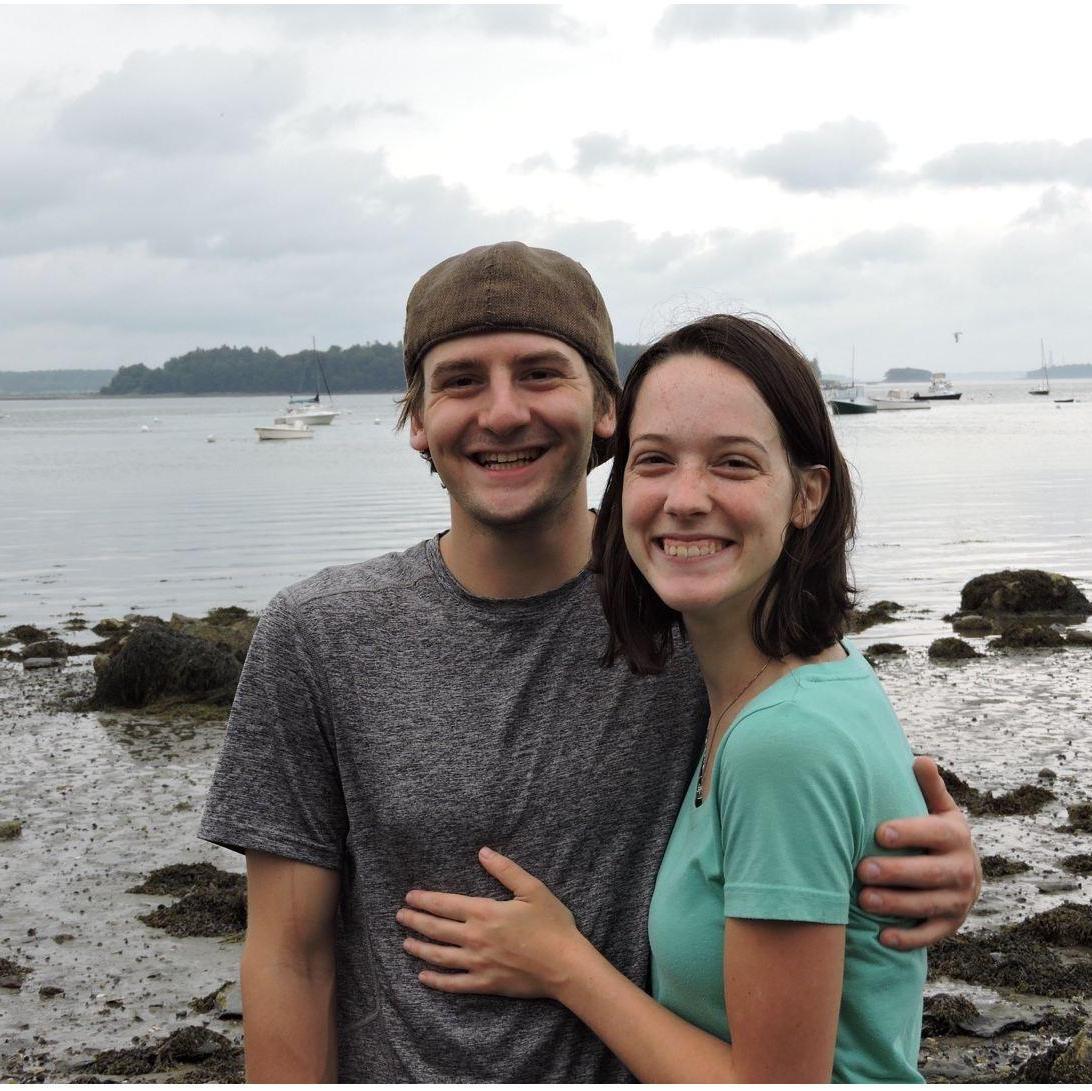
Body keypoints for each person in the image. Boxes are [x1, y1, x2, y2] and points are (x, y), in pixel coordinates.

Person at [199, 244, 981, 1083]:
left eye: (541, 373)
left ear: (606, 408)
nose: (502, 413)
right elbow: (289, 956)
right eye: (461, 380)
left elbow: (816, 762)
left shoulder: (696, 608)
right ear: (416, 418)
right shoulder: (320, 635)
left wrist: (927, 865)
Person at [396, 314, 934, 1082]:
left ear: (807, 493)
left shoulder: (781, 740)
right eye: (655, 461)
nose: (685, 498)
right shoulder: (806, 674)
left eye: (734, 463)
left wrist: (562, 964)